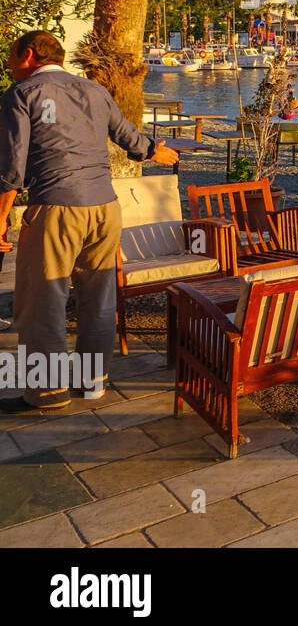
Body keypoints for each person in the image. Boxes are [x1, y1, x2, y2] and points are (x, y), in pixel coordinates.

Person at [0, 31, 178, 410]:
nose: (9, 64)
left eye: (12, 58)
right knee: (98, 298)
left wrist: (0, 220)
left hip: (56, 209)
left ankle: (47, 394)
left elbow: (11, 171)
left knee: (41, 302)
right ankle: (92, 382)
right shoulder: (94, 91)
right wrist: (154, 151)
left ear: (29, 55)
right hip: (106, 208)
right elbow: (130, 137)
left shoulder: (21, 94)